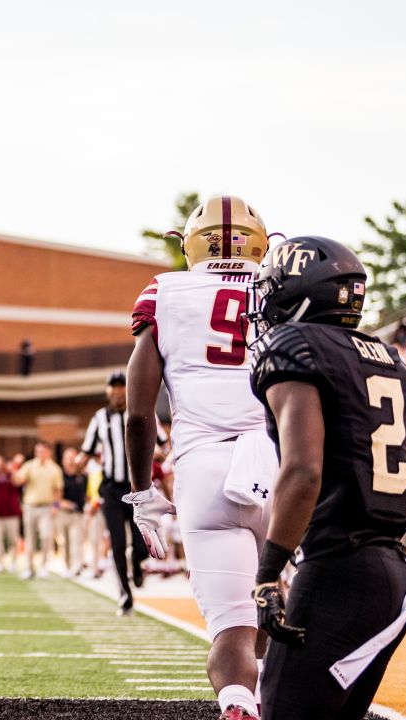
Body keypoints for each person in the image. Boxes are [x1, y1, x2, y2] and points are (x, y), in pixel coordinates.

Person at [247, 236, 406, 720]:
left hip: (338, 572)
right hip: (392, 573)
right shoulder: (386, 359)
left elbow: (303, 470)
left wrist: (267, 574)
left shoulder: (292, 344)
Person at [121, 196, 275, 717]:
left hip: (205, 469)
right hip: (282, 467)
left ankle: (236, 701)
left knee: (233, 627)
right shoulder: (285, 287)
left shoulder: (164, 291)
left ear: (189, 244)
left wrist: (143, 493)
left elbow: (139, 414)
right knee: (281, 615)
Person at [76, 373, 148, 614]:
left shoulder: (141, 411)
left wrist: (159, 453)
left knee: (142, 544)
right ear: (108, 391)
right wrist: (78, 462)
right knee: (116, 543)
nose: (118, 392)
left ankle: (137, 561)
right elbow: (86, 450)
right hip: (111, 489)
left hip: (138, 488)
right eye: (114, 387)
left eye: (122, 387)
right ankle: (125, 594)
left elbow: (160, 442)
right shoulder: (100, 418)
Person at [12, 441, 63, 580]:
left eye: (42, 451)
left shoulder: (54, 469)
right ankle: (29, 568)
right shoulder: (29, 466)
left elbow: (58, 490)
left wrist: (56, 506)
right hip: (30, 506)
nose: (39, 454)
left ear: (48, 452)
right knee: (30, 539)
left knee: (46, 537)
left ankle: (43, 567)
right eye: (37, 451)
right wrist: (15, 467)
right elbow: (18, 481)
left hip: (46, 507)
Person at [57, 447, 89, 578]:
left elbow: (86, 494)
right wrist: (63, 503)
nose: (70, 460)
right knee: (65, 543)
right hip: (63, 513)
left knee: (77, 541)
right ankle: (67, 566)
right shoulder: (59, 476)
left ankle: (77, 567)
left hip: (78, 514)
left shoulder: (82, 476)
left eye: (72, 457)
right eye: (67, 457)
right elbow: (56, 496)